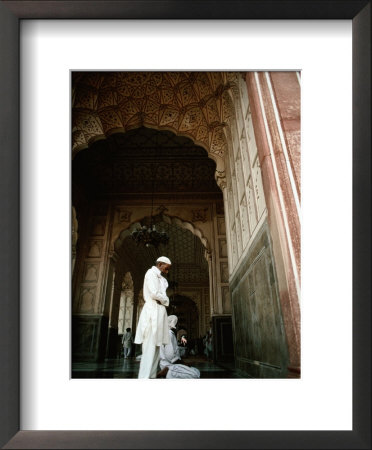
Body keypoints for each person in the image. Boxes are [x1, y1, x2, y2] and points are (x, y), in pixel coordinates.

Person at [134, 256, 172, 378]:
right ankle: (144, 378)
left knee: (156, 347)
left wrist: (163, 300)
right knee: (150, 347)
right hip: (152, 311)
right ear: (160, 264)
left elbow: (160, 294)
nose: (167, 270)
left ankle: (151, 376)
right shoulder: (151, 274)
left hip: (159, 312)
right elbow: (154, 293)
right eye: (167, 267)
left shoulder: (160, 277)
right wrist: (166, 300)